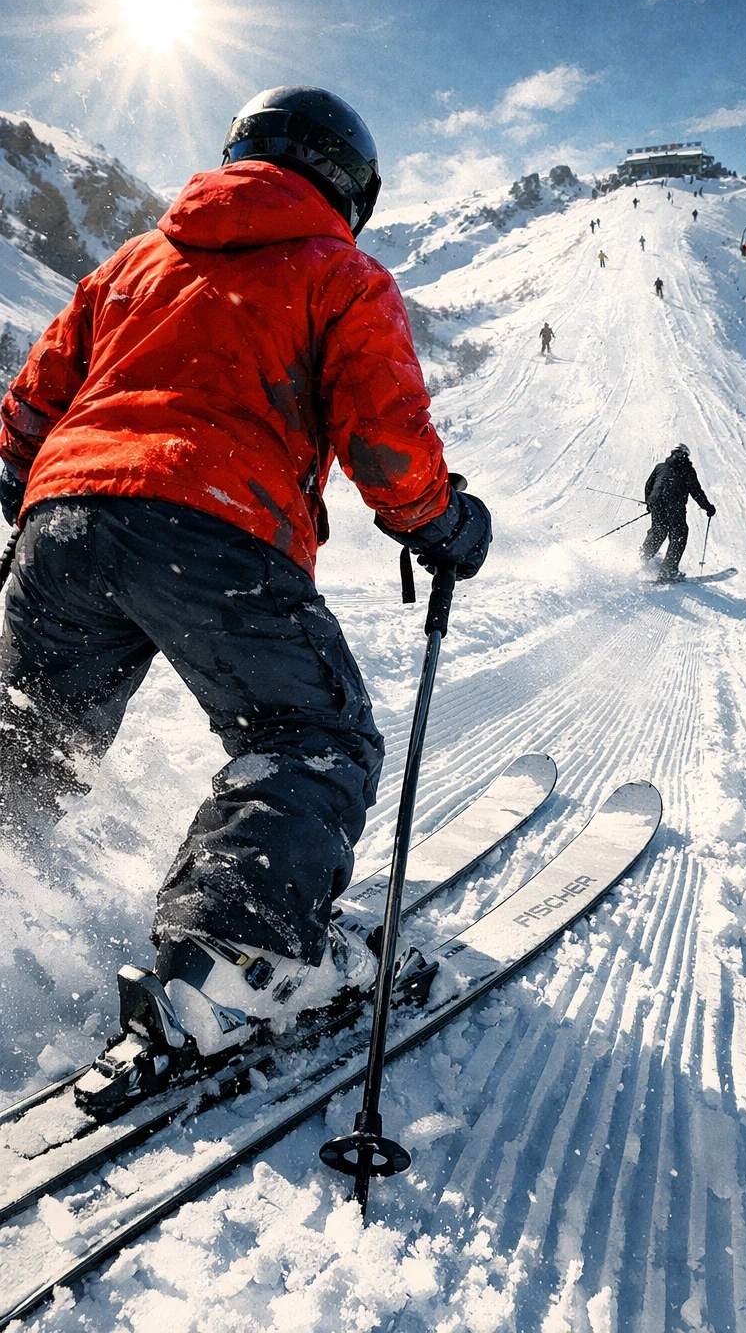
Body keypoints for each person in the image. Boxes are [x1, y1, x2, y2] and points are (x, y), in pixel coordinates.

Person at [0, 85, 492, 1065]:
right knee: (312, 735)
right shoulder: (340, 274)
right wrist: (440, 524)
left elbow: (31, 403)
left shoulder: (132, 263)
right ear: (351, 188)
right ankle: (235, 959)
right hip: (213, 525)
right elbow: (386, 440)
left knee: (30, 739)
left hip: (64, 518)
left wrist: (32, 497)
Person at [641, 444, 715, 583]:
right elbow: (696, 491)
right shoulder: (687, 470)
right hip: (675, 506)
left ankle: (642, 559)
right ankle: (668, 571)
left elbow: (649, 485)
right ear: (685, 455)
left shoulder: (660, 467)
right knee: (679, 535)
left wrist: (649, 503)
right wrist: (708, 507)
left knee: (658, 531)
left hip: (657, 504)